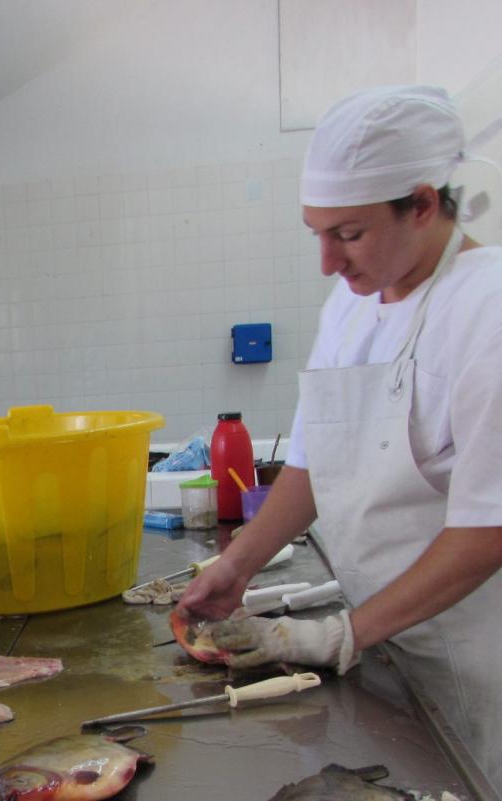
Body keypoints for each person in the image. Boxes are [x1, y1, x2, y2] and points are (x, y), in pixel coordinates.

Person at [177, 85, 502, 789]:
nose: (327, 261)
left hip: (477, 667)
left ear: (421, 203)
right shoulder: (350, 306)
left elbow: (486, 532)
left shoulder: (487, 311)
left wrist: (344, 634)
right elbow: (316, 457)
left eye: (348, 234)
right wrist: (238, 565)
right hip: (385, 643)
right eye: (315, 233)